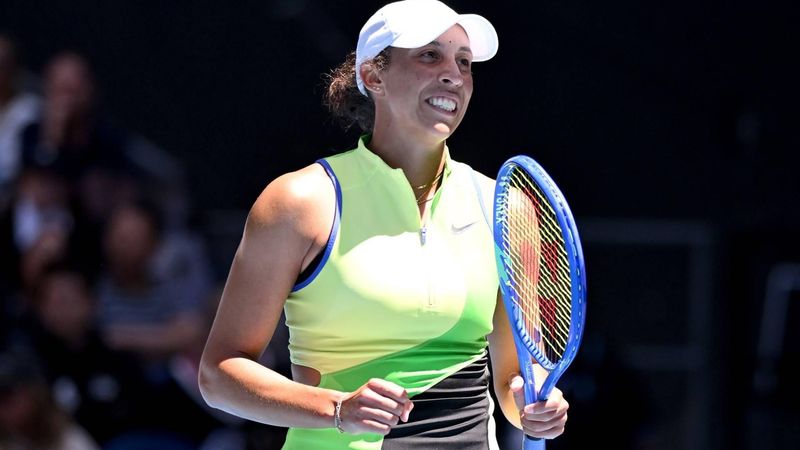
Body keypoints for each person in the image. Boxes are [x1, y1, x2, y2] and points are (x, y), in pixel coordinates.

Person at [198, 1, 570, 449]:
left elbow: (513, 378)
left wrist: (534, 409)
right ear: (374, 76)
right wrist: (337, 410)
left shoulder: (505, 208)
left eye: (464, 62)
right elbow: (219, 375)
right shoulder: (300, 202)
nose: (453, 73)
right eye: (430, 55)